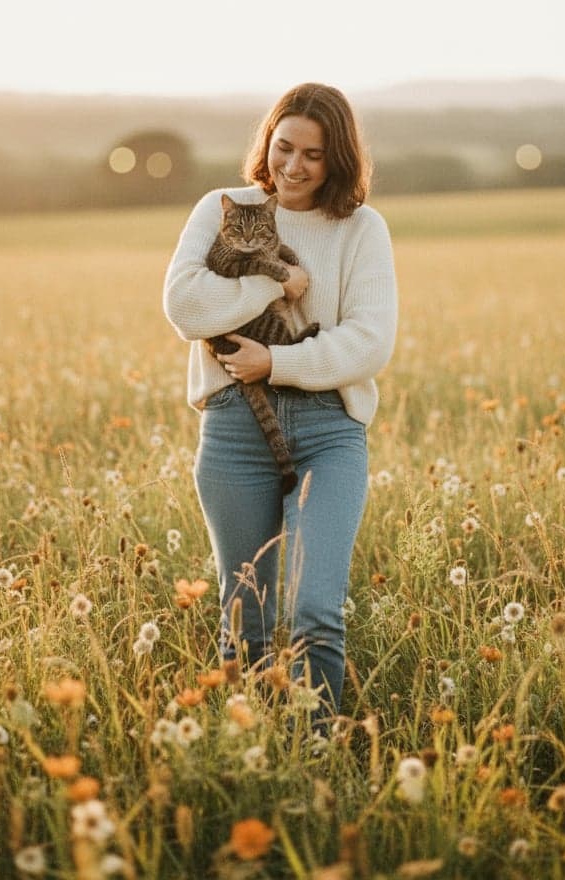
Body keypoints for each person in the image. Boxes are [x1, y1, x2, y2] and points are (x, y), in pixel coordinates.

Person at [162, 82, 398, 719]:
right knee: (246, 616)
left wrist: (278, 361)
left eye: (313, 156)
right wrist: (276, 285)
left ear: (339, 160)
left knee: (317, 609)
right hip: (236, 426)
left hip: (329, 430)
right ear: (266, 143)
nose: (293, 167)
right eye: (283, 147)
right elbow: (185, 308)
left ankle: (318, 757)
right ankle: (252, 755)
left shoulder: (360, 229)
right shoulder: (222, 207)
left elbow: (370, 342)